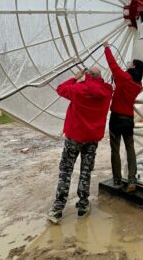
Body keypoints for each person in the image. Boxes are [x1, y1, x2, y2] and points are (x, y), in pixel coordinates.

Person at [47, 67, 113, 224]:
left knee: (66, 170)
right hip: (91, 139)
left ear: (88, 76)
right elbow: (108, 86)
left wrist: (76, 77)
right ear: (99, 77)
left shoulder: (78, 89)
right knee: (85, 171)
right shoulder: (107, 92)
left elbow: (60, 89)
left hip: (74, 138)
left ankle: (57, 209)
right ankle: (83, 205)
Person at [103, 41, 143, 193]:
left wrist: (107, 48)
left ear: (133, 67)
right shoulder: (138, 84)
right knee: (130, 149)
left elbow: (112, 64)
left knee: (115, 149)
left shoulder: (124, 78)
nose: (128, 63)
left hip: (116, 119)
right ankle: (132, 179)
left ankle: (117, 180)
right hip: (128, 120)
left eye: (130, 63)